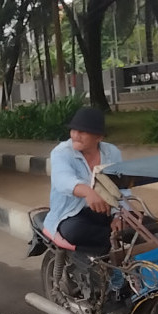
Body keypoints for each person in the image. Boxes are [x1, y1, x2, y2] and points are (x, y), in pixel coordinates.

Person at [43, 106, 123, 253]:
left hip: (107, 211)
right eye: (73, 130)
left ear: (99, 137)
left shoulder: (112, 152)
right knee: (76, 232)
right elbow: (62, 179)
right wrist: (88, 192)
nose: (75, 135)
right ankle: (109, 262)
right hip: (71, 214)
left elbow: (122, 186)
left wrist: (119, 215)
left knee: (150, 227)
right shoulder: (61, 152)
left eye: (82, 132)